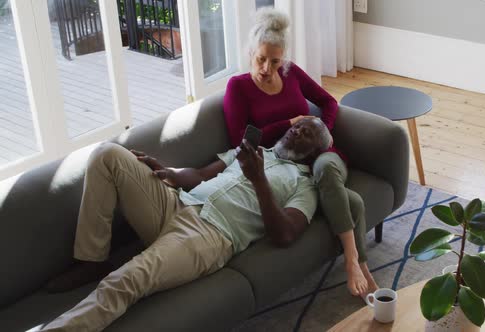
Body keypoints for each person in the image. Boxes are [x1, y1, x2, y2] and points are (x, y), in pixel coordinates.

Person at [42, 118, 331, 331]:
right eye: (299, 125)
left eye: (308, 133)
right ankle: (92, 258)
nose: (298, 130)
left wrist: (258, 180)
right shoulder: (253, 153)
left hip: (209, 235)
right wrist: (168, 170)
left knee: (125, 280)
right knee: (107, 154)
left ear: (314, 151)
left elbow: (285, 234)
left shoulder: (304, 185)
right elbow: (202, 175)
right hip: (176, 203)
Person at [223, 7, 378, 297]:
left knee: (325, 169)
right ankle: (362, 266)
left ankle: (351, 263)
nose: (267, 68)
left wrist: (323, 133)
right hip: (285, 167)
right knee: (353, 202)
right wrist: (288, 123)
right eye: (261, 59)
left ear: (284, 58)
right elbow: (241, 141)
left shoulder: (291, 73)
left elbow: (329, 102)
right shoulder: (238, 87)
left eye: (275, 60)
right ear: (250, 52)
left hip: (322, 157)